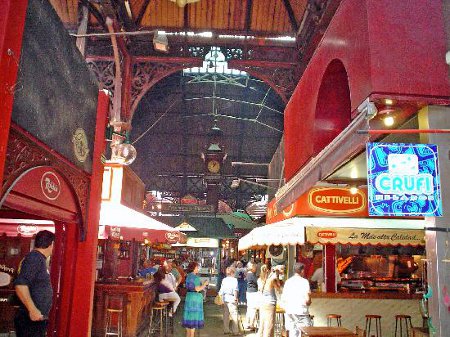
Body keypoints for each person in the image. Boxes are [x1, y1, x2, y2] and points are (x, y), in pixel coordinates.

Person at [14, 230, 55, 337]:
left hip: (34, 318)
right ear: (51, 244)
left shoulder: (37, 258)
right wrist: (32, 310)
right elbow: (20, 286)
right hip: (30, 319)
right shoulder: (34, 258)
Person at [280, 262, 312, 337]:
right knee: (304, 333)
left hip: (290, 312)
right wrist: (310, 297)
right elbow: (307, 301)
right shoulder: (304, 282)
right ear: (302, 271)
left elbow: (283, 298)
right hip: (301, 312)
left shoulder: (288, 282)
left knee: (292, 333)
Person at [182, 262, 209, 337]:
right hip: (195, 298)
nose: (198, 269)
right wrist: (204, 284)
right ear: (194, 268)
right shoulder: (195, 277)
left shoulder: (188, 276)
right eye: (197, 267)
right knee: (193, 321)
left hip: (189, 297)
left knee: (189, 318)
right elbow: (197, 289)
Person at [257, 264, 282, 337]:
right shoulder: (271, 280)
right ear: (269, 270)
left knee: (262, 323)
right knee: (269, 325)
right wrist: (277, 276)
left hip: (262, 303)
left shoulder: (260, 280)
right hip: (270, 303)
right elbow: (279, 289)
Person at [218, 266, 240, 336]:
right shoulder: (234, 280)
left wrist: (220, 297)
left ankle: (226, 330)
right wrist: (236, 298)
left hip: (225, 298)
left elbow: (221, 290)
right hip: (232, 299)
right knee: (234, 315)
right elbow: (235, 290)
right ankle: (235, 331)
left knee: (225, 315)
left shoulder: (224, 280)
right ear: (232, 272)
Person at [244, 261, 259, 331]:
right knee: (253, 309)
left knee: (249, 308)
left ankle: (247, 323)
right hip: (253, 293)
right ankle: (251, 324)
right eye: (255, 267)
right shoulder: (251, 275)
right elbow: (257, 282)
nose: (256, 268)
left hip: (249, 292)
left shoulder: (248, 274)